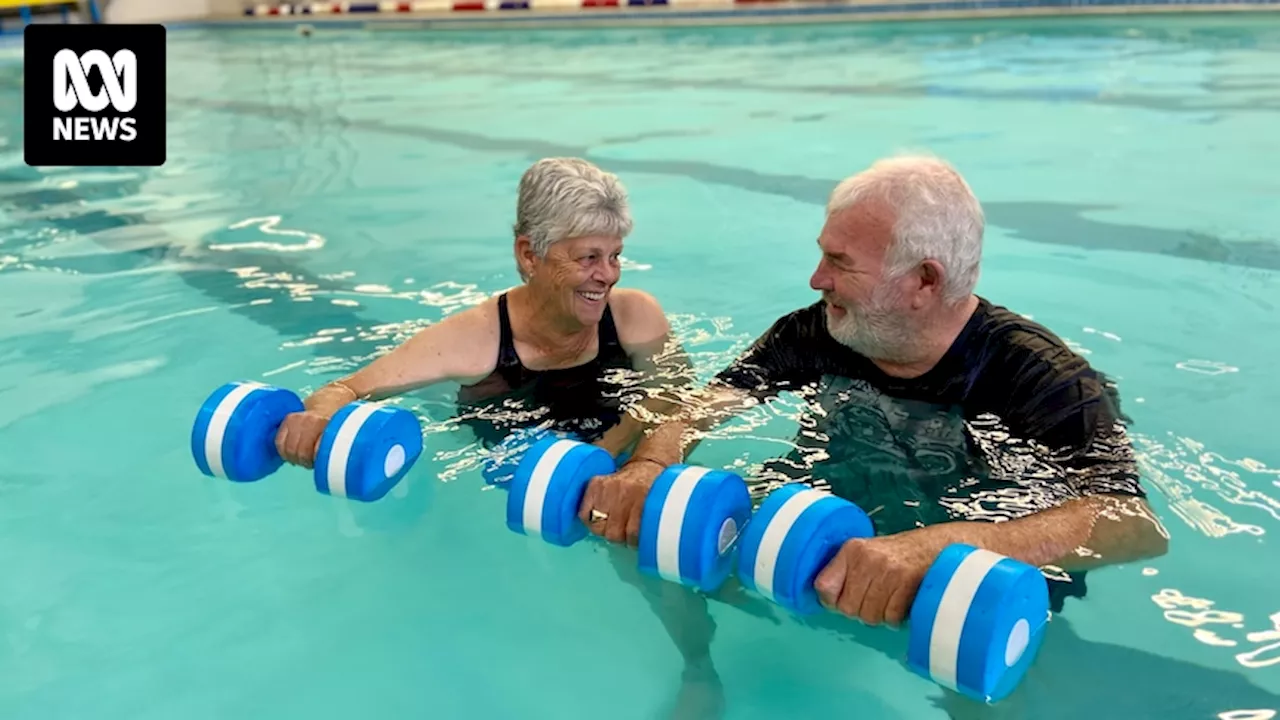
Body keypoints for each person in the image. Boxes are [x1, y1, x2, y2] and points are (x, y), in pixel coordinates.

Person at [579, 154, 1172, 717]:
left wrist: (944, 544)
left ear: (924, 281)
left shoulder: (1042, 378)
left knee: (974, 667)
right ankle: (700, 669)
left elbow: (1131, 523)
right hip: (831, 513)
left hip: (967, 558)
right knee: (654, 527)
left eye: (840, 263)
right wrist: (650, 465)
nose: (817, 279)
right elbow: (702, 405)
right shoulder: (818, 332)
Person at [272, 156, 677, 467]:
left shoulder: (635, 317)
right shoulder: (475, 340)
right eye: (589, 257)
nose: (607, 276)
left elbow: (679, 401)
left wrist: (612, 455)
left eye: (615, 256)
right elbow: (345, 389)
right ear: (529, 255)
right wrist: (317, 418)